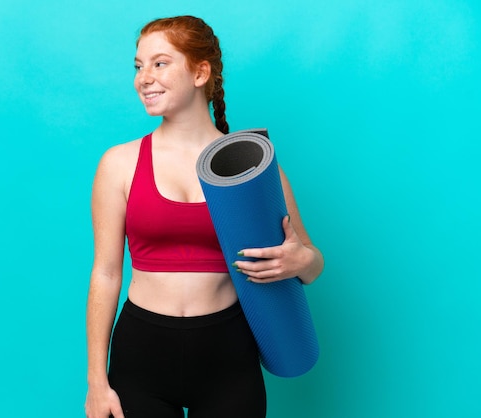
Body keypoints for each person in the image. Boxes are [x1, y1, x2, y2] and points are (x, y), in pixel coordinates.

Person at [84, 15, 324, 418]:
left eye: (160, 63)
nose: (144, 78)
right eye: (138, 66)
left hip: (229, 355)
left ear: (200, 72)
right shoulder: (119, 164)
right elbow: (106, 274)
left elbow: (311, 264)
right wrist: (96, 381)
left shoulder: (254, 166)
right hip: (141, 354)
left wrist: (302, 260)